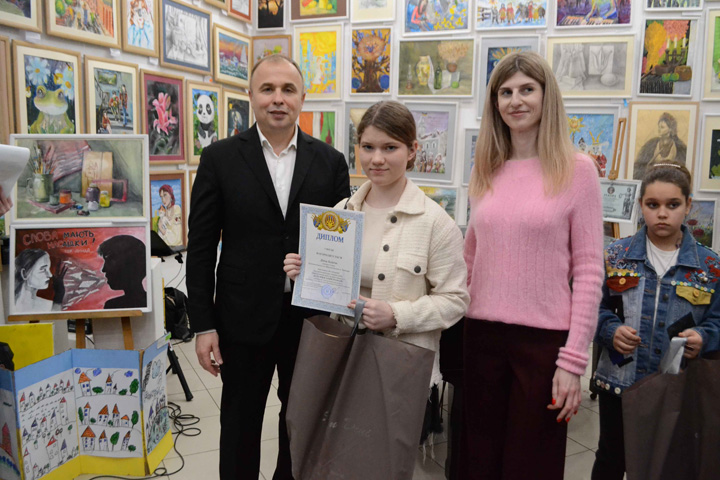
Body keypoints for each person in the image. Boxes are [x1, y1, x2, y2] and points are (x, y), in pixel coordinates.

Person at [186, 54, 349, 480]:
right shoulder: (219, 158)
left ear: (302, 98)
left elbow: (341, 244)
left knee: (300, 423)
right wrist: (203, 325)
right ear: (251, 95)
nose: (278, 99)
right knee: (239, 425)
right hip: (241, 319)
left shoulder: (330, 162)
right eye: (268, 89)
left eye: (288, 89)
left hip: (309, 320)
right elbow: (200, 247)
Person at [283, 101, 469, 459]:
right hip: (341, 357)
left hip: (400, 365)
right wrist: (304, 273)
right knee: (337, 455)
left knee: (383, 460)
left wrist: (397, 315)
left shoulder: (434, 223)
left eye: (390, 147)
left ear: (412, 150)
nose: (377, 159)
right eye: (367, 147)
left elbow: (456, 300)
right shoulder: (341, 212)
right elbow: (330, 288)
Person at [462, 51, 604, 479]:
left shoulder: (577, 171)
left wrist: (573, 362)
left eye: (527, 89)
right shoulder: (486, 168)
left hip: (542, 346)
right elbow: (471, 257)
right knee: (476, 463)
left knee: (530, 466)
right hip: (480, 336)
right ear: (495, 102)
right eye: (505, 92)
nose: (515, 100)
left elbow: (589, 272)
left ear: (547, 97)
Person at [591, 162, 720, 479]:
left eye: (672, 205)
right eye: (653, 205)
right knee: (612, 457)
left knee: (667, 462)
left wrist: (705, 336)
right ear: (641, 205)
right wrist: (609, 329)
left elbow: (717, 320)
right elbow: (591, 308)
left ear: (688, 205)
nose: (662, 214)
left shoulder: (710, 266)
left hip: (678, 385)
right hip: (620, 382)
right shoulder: (615, 255)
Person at [633, 112, 688, 180]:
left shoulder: (680, 148)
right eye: (659, 127)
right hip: (653, 180)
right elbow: (640, 168)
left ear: (670, 129)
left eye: (662, 127)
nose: (659, 129)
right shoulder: (650, 145)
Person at [98, 235, 147, 309]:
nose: (104, 269)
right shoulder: (151, 301)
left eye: (110, 260)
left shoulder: (113, 306)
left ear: (129, 263)